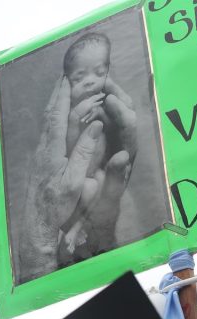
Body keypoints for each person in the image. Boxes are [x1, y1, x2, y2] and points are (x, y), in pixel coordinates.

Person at [57, 32, 137, 263]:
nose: (90, 81)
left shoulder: (108, 100)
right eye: (79, 78)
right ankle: (70, 230)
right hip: (75, 177)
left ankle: (76, 230)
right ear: (66, 83)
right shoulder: (68, 110)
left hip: (97, 175)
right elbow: (68, 145)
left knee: (98, 183)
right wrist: (74, 119)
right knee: (86, 187)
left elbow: (114, 128)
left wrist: (108, 95)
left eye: (99, 73)